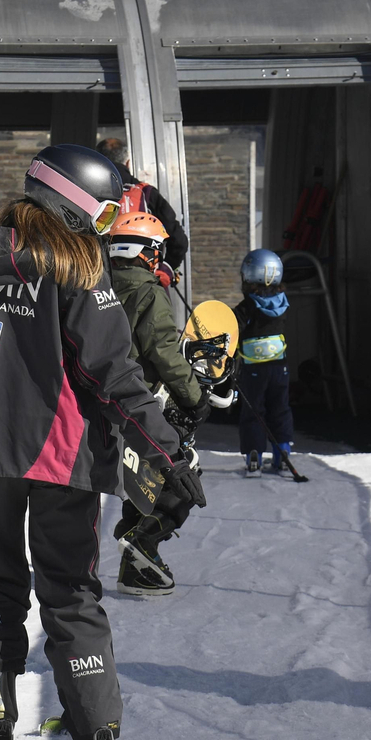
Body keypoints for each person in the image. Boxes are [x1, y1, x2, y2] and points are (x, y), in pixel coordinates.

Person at [0, 143, 204, 740]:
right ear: (72, 204)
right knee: (70, 590)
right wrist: (169, 453)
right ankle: (96, 734)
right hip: (63, 457)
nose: (104, 229)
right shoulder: (79, 268)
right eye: (103, 215)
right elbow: (117, 377)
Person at [104, 211, 233, 595]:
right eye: (157, 251)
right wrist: (194, 399)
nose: (161, 259)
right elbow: (164, 353)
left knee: (139, 481)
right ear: (145, 251)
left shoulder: (98, 287)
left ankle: (133, 567)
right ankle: (143, 542)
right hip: (142, 402)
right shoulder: (149, 293)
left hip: (104, 402)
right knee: (181, 474)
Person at [93, 137, 188, 286]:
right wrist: (166, 269)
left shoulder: (89, 193)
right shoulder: (147, 193)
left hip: (99, 282)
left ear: (98, 163)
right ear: (128, 163)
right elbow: (179, 240)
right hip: (145, 281)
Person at [234, 248, 294, 475]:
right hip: (280, 368)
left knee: (254, 411)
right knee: (280, 409)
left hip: (254, 370)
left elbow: (234, 328)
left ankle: (254, 457)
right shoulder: (283, 303)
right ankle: (283, 453)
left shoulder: (247, 306)